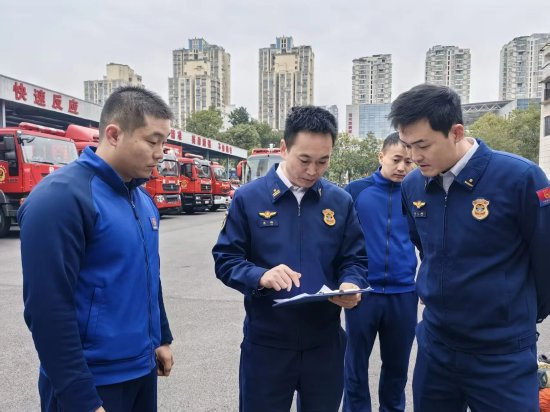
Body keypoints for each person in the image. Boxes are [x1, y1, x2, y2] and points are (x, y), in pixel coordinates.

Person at [388, 83, 550, 412]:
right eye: (407, 145)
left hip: (501, 353)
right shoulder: (413, 185)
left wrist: (515, 316)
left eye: (423, 145)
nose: (414, 157)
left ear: (456, 132)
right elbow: (426, 248)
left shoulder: (520, 178)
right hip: (437, 347)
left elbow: (545, 259)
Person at [19, 86, 175, 412]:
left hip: (140, 370)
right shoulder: (61, 199)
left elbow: (148, 273)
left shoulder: (141, 199)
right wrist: (81, 398)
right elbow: (47, 309)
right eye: (152, 141)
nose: (160, 153)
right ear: (114, 135)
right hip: (92, 381)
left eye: (164, 142)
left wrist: (160, 337)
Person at [212, 106, 369, 412]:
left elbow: (354, 258)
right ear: (284, 148)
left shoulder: (340, 201)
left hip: (324, 343)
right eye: (304, 160)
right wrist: (260, 276)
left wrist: (351, 283)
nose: (313, 171)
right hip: (267, 344)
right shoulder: (249, 198)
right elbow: (226, 259)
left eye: (323, 161)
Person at [343, 132, 418, 411]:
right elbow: (339, 239)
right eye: (396, 159)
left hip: (404, 293)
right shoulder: (355, 191)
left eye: (408, 162)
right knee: (355, 366)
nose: (402, 167)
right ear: (381, 156)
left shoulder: (418, 193)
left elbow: (430, 241)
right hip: (363, 293)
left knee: (397, 368)